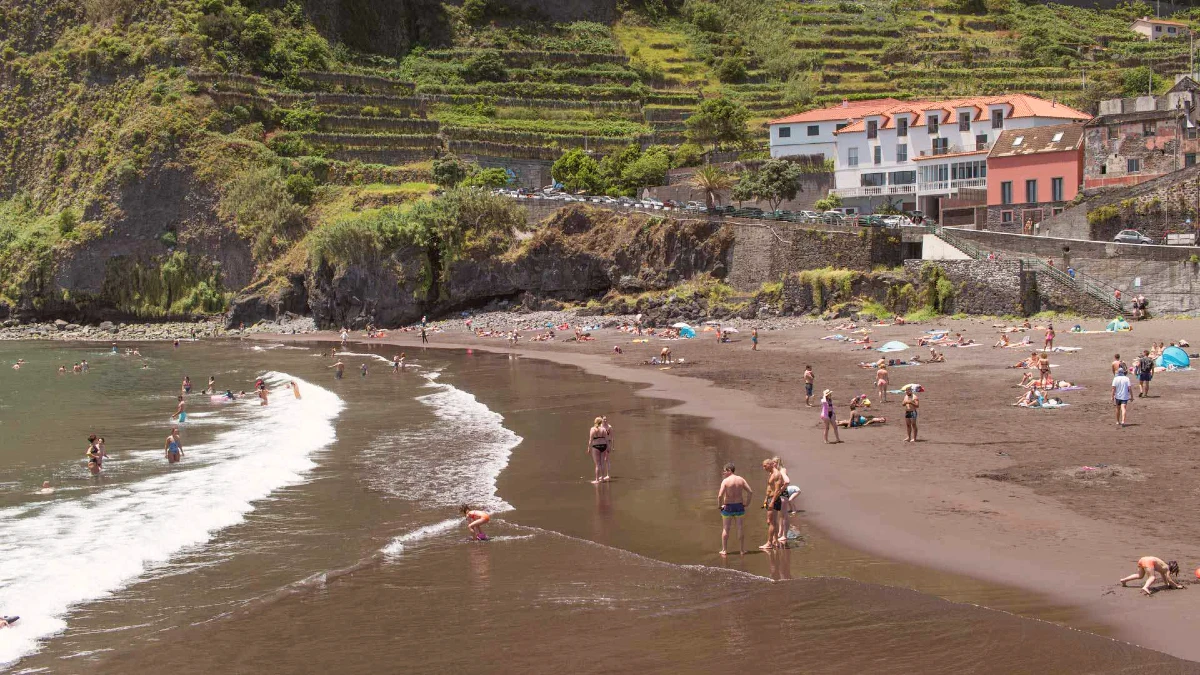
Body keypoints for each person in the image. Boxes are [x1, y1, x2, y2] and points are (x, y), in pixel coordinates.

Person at [717, 463, 752, 556]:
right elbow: (750, 492)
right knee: (740, 527)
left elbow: (720, 495)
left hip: (728, 506)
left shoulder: (725, 481)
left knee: (726, 528)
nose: (723, 473)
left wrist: (720, 506)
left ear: (729, 470)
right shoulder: (741, 479)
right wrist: (747, 503)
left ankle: (724, 550)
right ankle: (742, 550)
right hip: (739, 506)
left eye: (724, 471)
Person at [760, 459, 785, 550]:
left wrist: (772, 501)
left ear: (771, 464)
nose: (764, 468)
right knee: (772, 521)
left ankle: (769, 543)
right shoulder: (771, 473)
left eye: (765, 466)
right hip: (770, 498)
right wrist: (766, 498)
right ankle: (775, 540)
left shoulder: (777, 474)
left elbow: (778, 490)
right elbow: (769, 487)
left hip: (774, 499)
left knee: (770, 522)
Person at [586, 417, 611, 484]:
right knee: (602, 463)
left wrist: (589, 448)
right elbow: (606, 439)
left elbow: (590, 440)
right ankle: (602, 478)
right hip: (603, 446)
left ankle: (597, 480)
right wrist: (608, 447)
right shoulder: (603, 429)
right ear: (601, 422)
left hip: (596, 446)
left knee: (597, 464)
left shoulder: (593, 429)